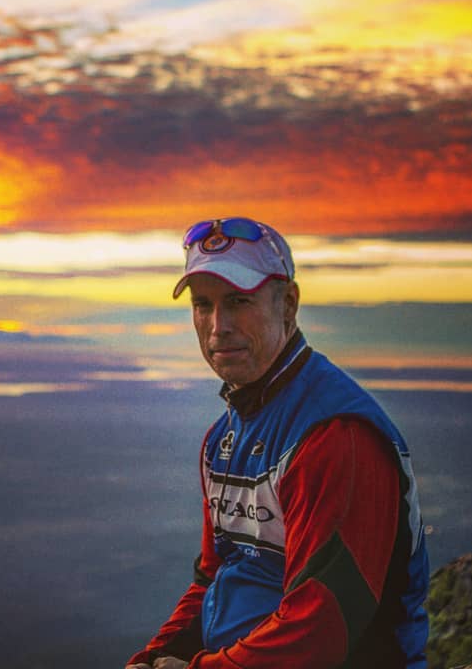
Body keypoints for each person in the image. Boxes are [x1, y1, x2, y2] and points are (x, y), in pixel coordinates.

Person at [126, 217, 430, 669]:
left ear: (288, 304)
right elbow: (212, 578)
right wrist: (155, 656)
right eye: (203, 304)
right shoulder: (223, 439)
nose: (218, 326)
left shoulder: (334, 436)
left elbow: (321, 629)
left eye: (238, 301)